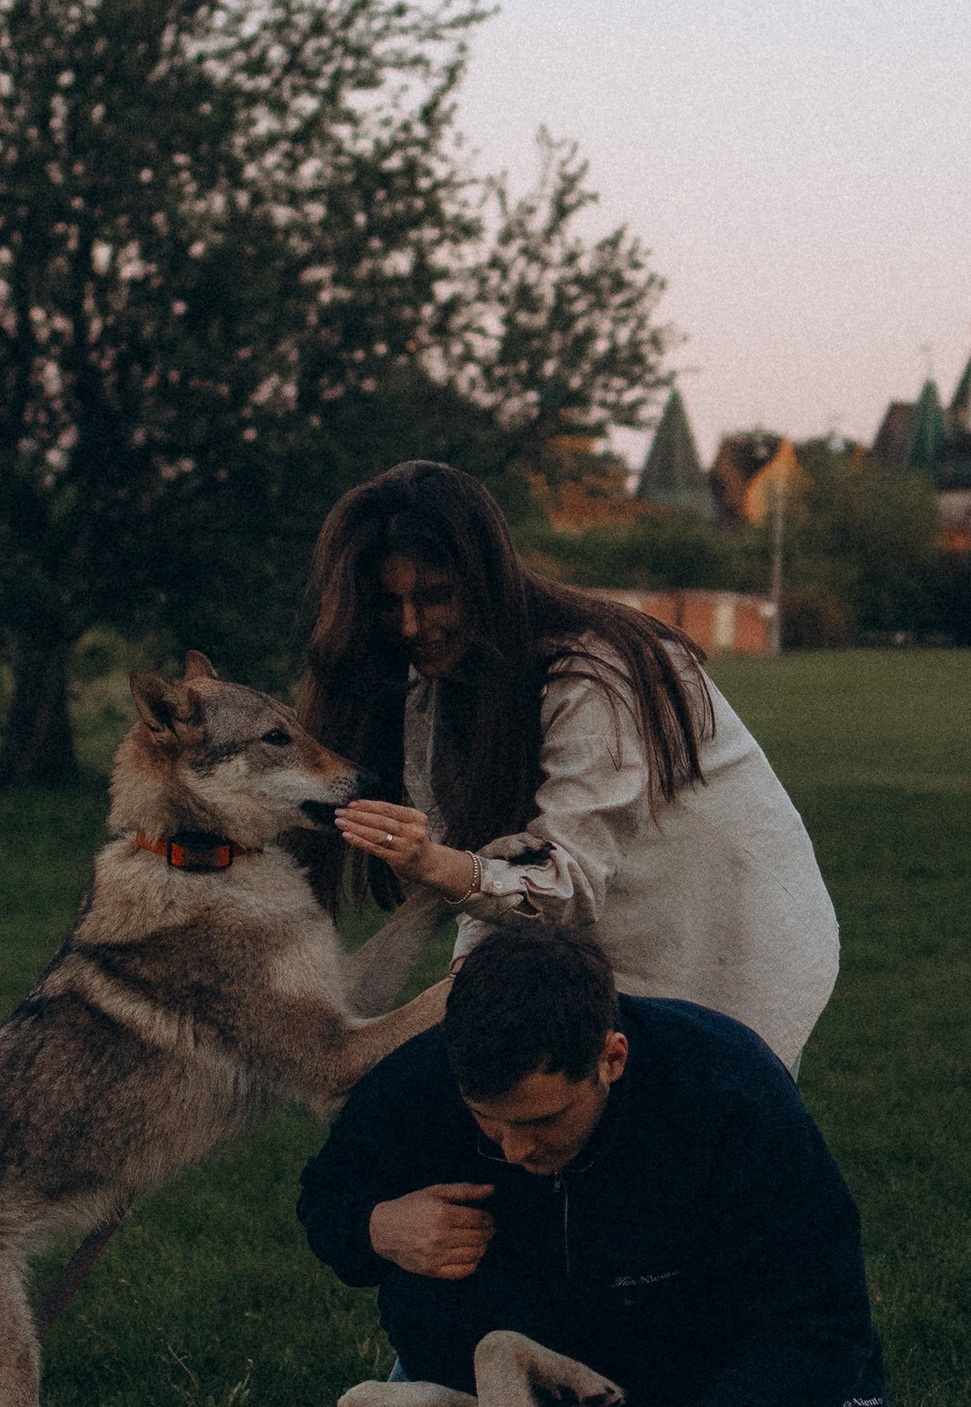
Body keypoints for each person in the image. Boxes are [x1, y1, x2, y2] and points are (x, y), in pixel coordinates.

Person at [297, 920, 896, 1407]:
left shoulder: (726, 1087)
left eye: (542, 1119)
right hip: (497, 1368)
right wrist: (376, 1226)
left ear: (611, 1058)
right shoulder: (420, 1075)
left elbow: (821, 1317)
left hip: (698, 1361)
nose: (515, 1150)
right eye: (487, 1121)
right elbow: (326, 1196)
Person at [299, 458, 839, 1069]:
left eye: (435, 596)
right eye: (388, 603)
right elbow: (489, 859)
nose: (411, 626)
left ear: (485, 582)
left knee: (676, 1117)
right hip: (595, 949)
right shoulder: (438, 689)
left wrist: (431, 864)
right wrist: (471, 976)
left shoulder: (597, 675)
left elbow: (564, 883)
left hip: (720, 948)